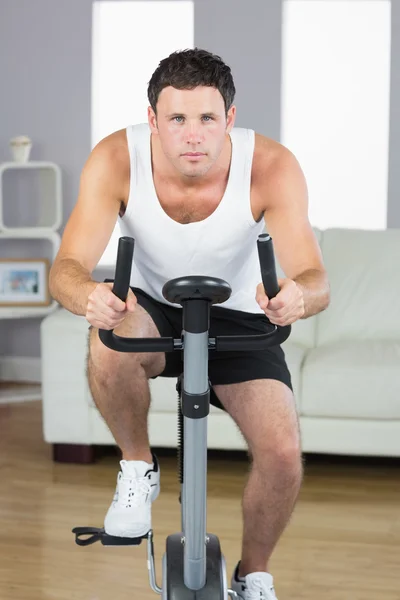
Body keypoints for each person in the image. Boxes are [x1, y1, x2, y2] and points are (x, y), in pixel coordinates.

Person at [49, 48, 330, 600]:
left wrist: (297, 297)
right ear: (153, 120)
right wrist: (89, 296)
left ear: (229, 118)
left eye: (207, 118)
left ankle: (253, 575)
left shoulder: (271, 165)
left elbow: (315, 277)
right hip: (153, 305)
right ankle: (137, 469)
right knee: (108, 338)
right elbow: (66, 268)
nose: (193, 136)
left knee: (282, 454)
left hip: (242, 319)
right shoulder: (116, 158)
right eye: (177, 119)